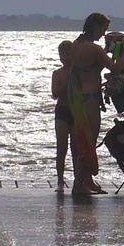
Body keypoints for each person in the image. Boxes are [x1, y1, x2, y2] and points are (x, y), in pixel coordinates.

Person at [64, 13, 124, 197]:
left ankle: (86, 181)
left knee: (81, 140)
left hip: (77, 99)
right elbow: (116, 68)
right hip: (89, 99)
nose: (103, 33)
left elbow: (90, 65)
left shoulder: (76, 45)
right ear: (95, 27)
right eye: (103, 29)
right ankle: (78, 185)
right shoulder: (94, 49)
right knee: (88, 142)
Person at [49, 40, 73, 188]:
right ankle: (60, 180)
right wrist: (68, 81)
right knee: (61, 147)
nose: (64, 58)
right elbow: (55, 93)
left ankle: (80, 180)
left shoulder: (79, 72)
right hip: (62, 111)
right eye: (61, 55)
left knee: (76, 148)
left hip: (75, 111)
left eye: (67, 54)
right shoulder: (57, 73)